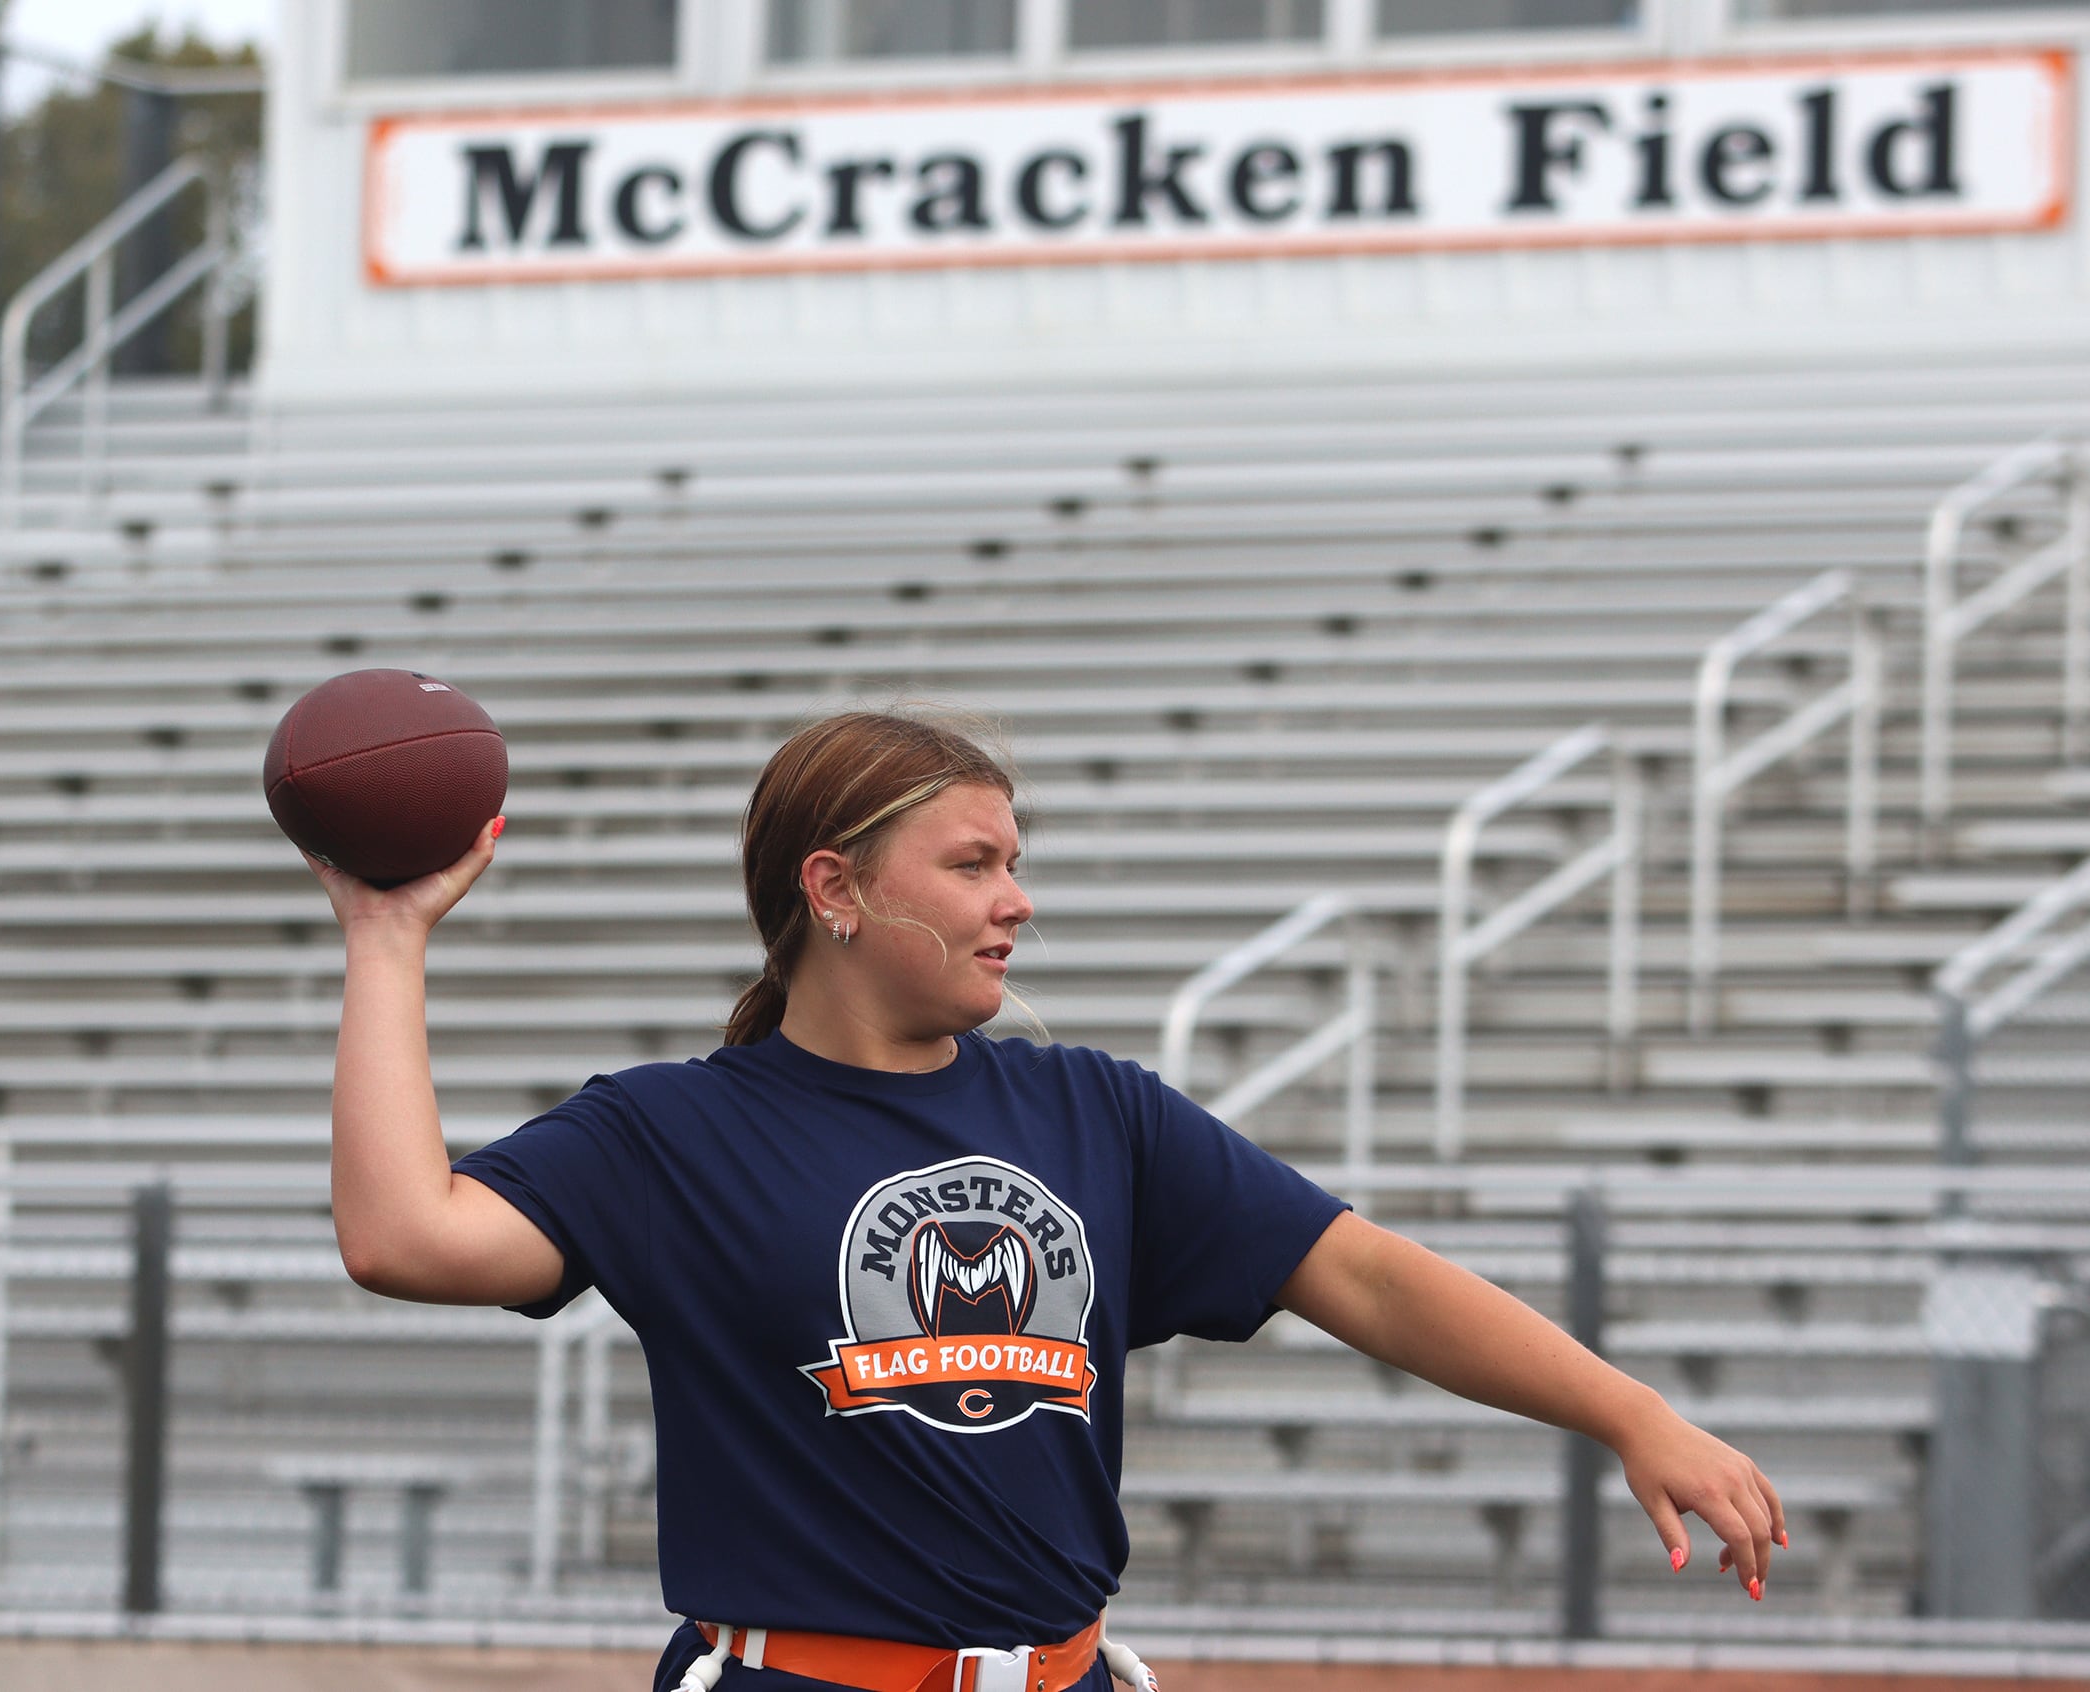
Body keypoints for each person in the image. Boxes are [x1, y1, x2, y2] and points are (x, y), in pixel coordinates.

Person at [313, 709, 1786, 1692]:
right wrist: (387, 939)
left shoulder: (1098, 1109)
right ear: (836, 888)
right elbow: (403, 1237)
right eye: (971, 864)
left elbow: (1375, 1279)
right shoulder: (671, 1131)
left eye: (1016, 862)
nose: (1015, 898)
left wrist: (1630, 1413)